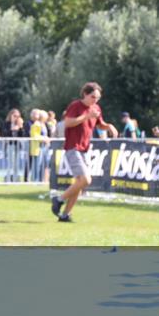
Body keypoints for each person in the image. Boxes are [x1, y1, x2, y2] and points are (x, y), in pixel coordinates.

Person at [51, 82, 116, 223]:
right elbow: (68, 123)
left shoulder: (96, 108)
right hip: (73, 147)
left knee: (80, 183)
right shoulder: (76, 106)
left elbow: (99, 124)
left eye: (98, 98)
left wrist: (109, 126)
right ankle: (58, 199)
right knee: (86, 180)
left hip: (85, 149)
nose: (95, 100)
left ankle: (65, 215)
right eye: (93, 97)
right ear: (85, 94)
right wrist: (86, 116)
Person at [5, 108, 25, 181]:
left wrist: (21, 127)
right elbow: (6, 134)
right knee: (10, 162)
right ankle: (8, 179)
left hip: (17, 145)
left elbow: (22, 135)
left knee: (16, 163)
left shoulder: (19, 124)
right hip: (10, 145)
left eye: (17, 116)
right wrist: (12, 128)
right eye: (14, 115)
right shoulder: (7, 123)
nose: (16, 117)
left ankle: (15, 179)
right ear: (11, 115)